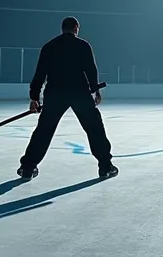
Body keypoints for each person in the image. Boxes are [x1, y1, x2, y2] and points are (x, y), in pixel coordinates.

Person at [18, 17, 116, 181]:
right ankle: (105, 166)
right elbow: (91, 70)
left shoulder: (49, 47)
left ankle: (27, 167)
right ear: (76, 28)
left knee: (43, 131)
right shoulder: (83, 45)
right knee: (94, 128)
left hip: (55, 93)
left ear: (62, 28)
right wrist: (95, 91)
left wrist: (34, 97)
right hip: (79, 92)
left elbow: (40, 74)